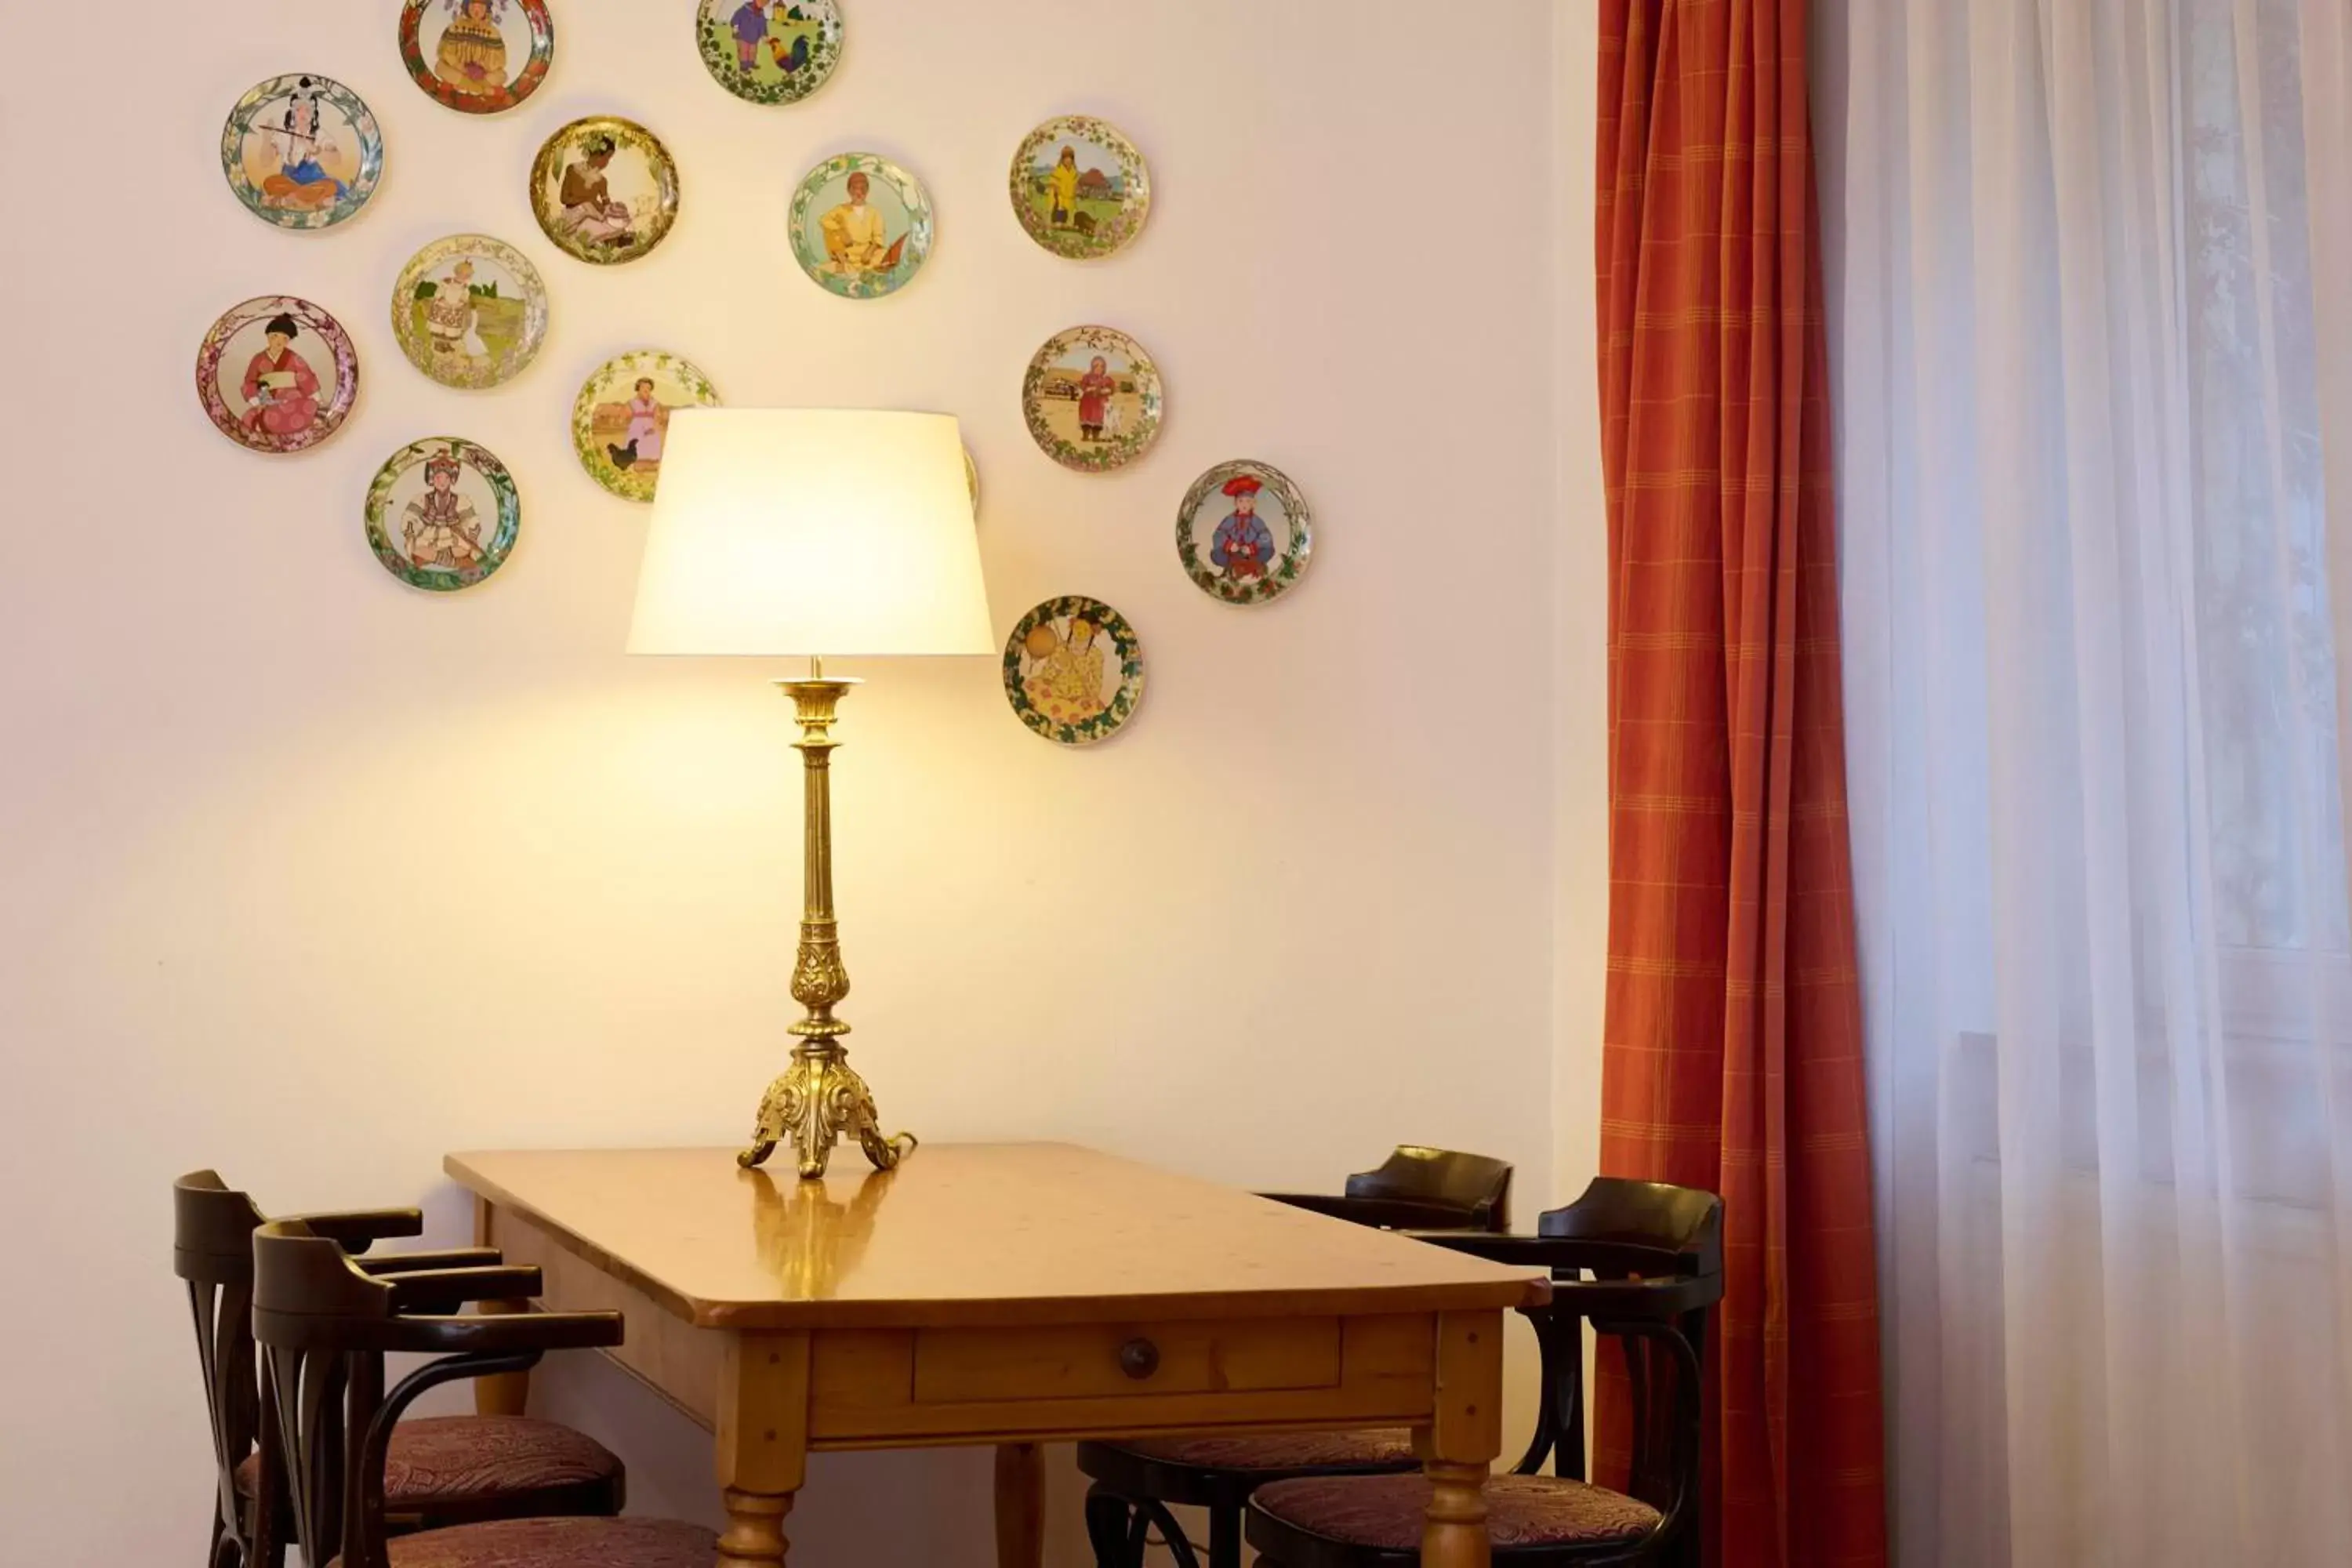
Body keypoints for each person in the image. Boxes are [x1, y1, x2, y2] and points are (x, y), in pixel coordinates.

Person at [258, 78, 347, 211]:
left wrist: (314, 149)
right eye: (299, 109)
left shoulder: (319, 134)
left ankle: (290, 199)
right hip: (289, 181)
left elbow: (337, 159)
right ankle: (309, 199)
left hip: (315, 181)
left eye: (308, 110)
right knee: (271, 182)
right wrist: (266, 139)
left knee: (331, 186)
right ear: (293, 113)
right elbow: (265, 162)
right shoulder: (284, 135)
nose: (303, 114)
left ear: (313, 115)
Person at [239, 314, 321, 441]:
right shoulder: (258, 359)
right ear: (268, 336)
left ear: (289, 341)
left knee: (304, 407)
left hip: (293, 398)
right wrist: (256, 400)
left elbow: (305, 376)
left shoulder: (294, 358)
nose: (279, 341)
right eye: (275, 336)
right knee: (253, 416)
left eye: (284, 338)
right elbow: (250, 382)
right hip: (267, 398)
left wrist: (315, 397)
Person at [403, 448, 485, 570]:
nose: (442, 482)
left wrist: (470, 536)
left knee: (463, 549)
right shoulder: (422, 499)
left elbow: (470, 521)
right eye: (438, 478)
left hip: (451, 538)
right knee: (417, 549)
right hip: (428, 538)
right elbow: (411, 518)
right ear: (432, 479)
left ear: (451, 479)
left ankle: (437, 559)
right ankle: (454, 562)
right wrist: (411, 535)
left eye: (446, 478)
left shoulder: (461, 500)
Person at [1023, 619, 1107, 725]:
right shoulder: (1061, 647)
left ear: (1093, 632)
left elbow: (1097, 680)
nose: (1080, 632)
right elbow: (1046, 674)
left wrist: (1088, 688)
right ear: (1072, 627)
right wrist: (1059, 666)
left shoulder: (1096, 655)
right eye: (1077, 628)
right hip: (1055, 690)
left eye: (1085, 629)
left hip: (1079, 696)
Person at [557, 136, 636, 249]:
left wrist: (616, 210)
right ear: (596, 154)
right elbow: (564, 199)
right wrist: (587, 202)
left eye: (610, 159)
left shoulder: (602, 181)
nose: (607, 162)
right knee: (590, 226)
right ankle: (603, 241)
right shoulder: (573, 170)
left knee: (620, 224)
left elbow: (606, 205)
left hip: (595, 215)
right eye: (607, 157)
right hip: (575, 215)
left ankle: (615, 240)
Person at [819, 171, 895, 274]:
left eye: (863, 189)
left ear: (867, 190)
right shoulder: (841, 209)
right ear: (849, 190)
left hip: (868, 252)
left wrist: (869, 252)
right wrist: (841, 231)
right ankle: (850, 267)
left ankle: (853, 269)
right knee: (826, 268)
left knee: (885, 256)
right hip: (849, 252)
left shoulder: (874, 212)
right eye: (855, 189)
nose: (859, 193)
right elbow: (824, 220)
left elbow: (878, 236)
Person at [434, 0, 509, 99]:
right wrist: (457, 65)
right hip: (458, 69)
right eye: (473, 7)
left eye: (481, 7)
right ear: (466, 7)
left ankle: (460, 85)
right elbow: (445, 51)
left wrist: (484, 66)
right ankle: (482, 89)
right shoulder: (456, 27)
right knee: (441, 67)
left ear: (487, 9)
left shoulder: (493, 32)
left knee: (501, 75)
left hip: (483, 73)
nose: (476, 11)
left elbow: (499, 60)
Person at [1209, 475, 1277, 582]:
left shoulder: (1256, 520)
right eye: (1241, 501)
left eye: (1248, 501)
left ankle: (1244, 565)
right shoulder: (1230, 519)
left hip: (1251, 552)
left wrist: (1252, 547)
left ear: (1254, 504)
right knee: (1215, 555)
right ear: (1235, 503)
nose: (1244, 505)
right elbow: (1218, 533)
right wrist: (1230, 544)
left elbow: (1266, 536)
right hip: (1233, 552)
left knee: (1269, 551)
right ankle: (1242, 566)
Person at [423, 258, 484, 362]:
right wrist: (443, 301)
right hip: (442, 307)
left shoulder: (465, 287)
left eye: (467, 276)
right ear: (458, 272)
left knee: (450, 330)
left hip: (455, 310)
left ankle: (446, 344)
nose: (465, 277)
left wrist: (458, 304)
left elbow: (464, 299)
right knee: (441, 327)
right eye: (463, 274)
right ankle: (439, 344)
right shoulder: (446, 282)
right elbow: (439, 292)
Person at [608, 378, 665, 470]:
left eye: (649, 388)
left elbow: (657, 416)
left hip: (651, 427)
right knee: (637, 445)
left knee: (651, 444)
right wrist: (619, 419)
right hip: (637, 427)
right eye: (644, 388)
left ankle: (651, 465)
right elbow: (624, 415)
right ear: (638, 388)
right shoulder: (632, 403)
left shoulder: (654, 403)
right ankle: (638, 465)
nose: (646, 390)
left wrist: (654, 426)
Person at [1076, 355, 1116, 442]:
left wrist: (1106, 391)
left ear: (1104, 368)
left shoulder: (1106, 379)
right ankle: (1085, 436)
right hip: (1087, 402)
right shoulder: (1087, 377)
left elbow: (1112, 389)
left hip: (1100, 403)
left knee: (1098, 420)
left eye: (1101, 366)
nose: (1099, 368)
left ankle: (1095, 437)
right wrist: (1090, 389)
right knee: (1086, 420)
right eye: (1096, 366)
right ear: (1092, 367)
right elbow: (1083, 386)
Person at [730, 0, 768, 72]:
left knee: (753, 51)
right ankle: (744, 66)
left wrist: (764, 35)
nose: (763, 4)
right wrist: (735, 27)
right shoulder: (744, 10)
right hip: (743, 35)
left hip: (754, 37)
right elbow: (736, 18)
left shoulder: (761, 13)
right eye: (762, 2)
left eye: (765, 3)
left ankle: (751, 63)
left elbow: (763, 24)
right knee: (744, 51)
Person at [1047, 146, 1080, 228]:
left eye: (1070, 158)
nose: (1068, 160)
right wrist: (1058, 190)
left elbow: (1075, 184)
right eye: (1066, 158)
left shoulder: (1074, 172)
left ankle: (1067, 223)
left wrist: (1075, 191)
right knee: (1059, 208)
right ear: (1062, 159)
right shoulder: (1058, 170)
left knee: (1069, 211)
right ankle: (1056, 222)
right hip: (1059, 197)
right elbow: (1053, 183)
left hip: (1069, 196)